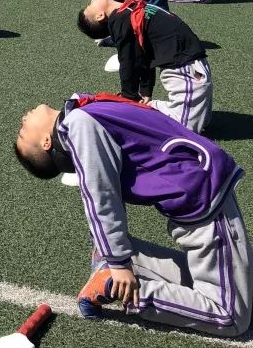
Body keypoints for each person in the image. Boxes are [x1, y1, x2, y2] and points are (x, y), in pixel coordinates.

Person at [14, 94, 250, 336]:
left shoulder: (80, 110)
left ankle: (125, 259)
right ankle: (119, 287)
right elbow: (101, 196)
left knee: (243, 287)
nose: (22, 120)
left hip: (200, 191)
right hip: (204, 200)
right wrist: (118, 263)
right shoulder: (79, 125)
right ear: (46, 142)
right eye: (23, 133)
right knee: (232, 317)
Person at [77, 0, 212, 132]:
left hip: (188, 65)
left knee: (198, 122)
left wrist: (145, 91)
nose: (92, 0)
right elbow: (129, 61)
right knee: (185, 129)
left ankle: (146, 109)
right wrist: (129, 96)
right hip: (184, 68)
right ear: (100, 16)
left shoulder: (129, 8)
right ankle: (144, 111)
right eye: (89, 5)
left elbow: (144, 55)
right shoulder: (121, 18)